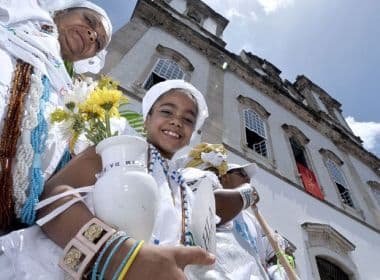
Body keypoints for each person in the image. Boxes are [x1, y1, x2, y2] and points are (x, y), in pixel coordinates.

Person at [0, 79, 215, 279]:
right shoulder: (118, 147)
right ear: (147, 118)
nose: (176, 121)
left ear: (192, 135)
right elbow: (53, 198)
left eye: (188, 119)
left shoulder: (185, 192)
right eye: (167, 111)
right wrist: (120, 255)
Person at [0, 0, 112, 231]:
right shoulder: (10, 32)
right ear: (61, 11)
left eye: (98, 43)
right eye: (88, 21)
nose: (92, 36)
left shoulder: (66, 98)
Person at [182, 144, 269, 279]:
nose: (247, 179)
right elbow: (207, 210)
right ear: (223, 176)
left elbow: (260, 258)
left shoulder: (252, 221)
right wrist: (247, 194)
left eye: (249, 178)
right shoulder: (200, 178)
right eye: (242, 174)